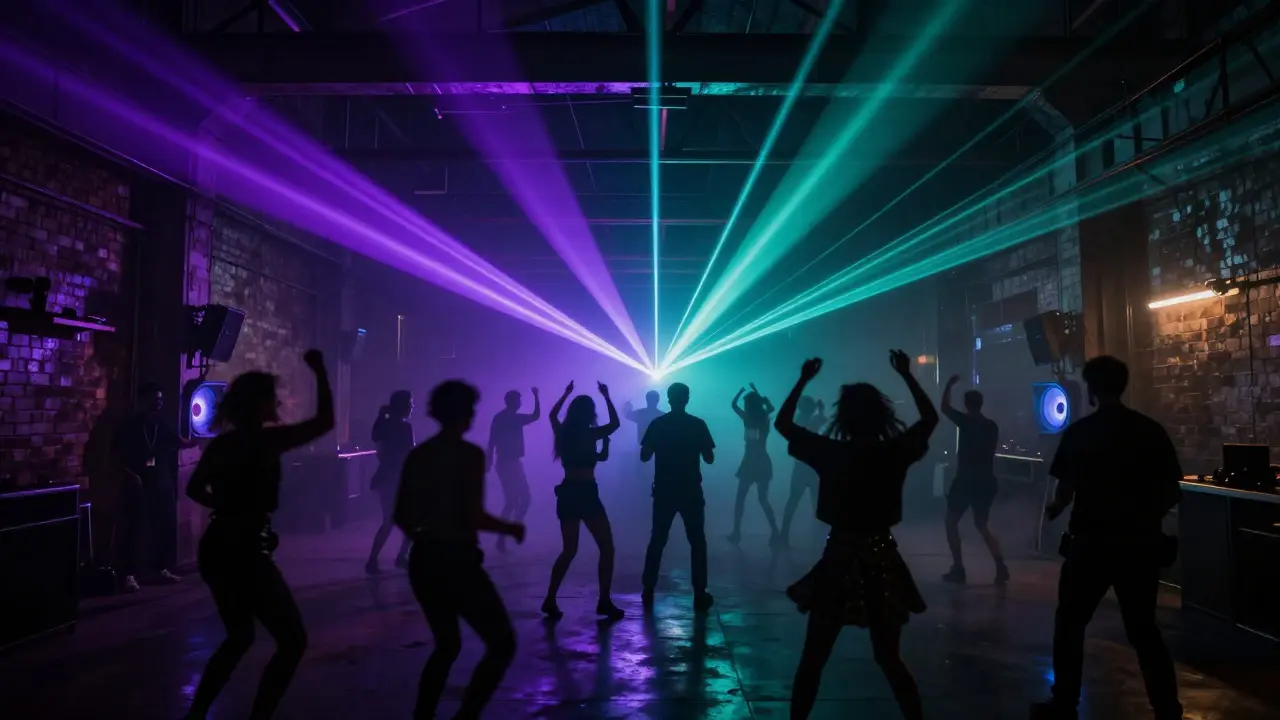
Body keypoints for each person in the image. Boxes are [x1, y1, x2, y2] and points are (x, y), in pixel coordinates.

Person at [775, 352, 938, 720]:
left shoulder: (831, 452)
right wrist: (908, 376)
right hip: (882, 557)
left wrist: (803, 379)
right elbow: (930, 420)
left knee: (813, 658)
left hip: (839, 557)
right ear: (882, 416)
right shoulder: (893, 453)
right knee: (889, 657)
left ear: (842, 417)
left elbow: (783, 424)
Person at [184, 350, 334, 720]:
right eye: (273, 397)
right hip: (244, 549)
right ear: (258, 404)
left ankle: (197, 713)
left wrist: (225, 505)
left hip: (219, 546)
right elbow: (325, 421)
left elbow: (194, 490)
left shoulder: (223, 444)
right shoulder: (266, 442)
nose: (279, 403)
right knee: (293, 640)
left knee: (239, 637)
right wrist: (319, 371)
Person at [1030, 356, 1183, 720]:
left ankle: (1064, 702)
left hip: (1091, 544)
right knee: (1144, 629)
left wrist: (1054, 508)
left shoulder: (1081, 433)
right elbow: (1170, 491)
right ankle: (1166, 708)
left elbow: (1065, 489)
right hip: (1139, 545)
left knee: (1070, 622)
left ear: (1090, 389)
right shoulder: (1150, 431)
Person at [394, 380, 526, 720]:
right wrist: (509, 527)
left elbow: (401, 515)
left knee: (447, 645)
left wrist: (426, 537)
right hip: (458, 562)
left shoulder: (420, 456)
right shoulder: (469, 455)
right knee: (502, 643)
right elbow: (473, 515)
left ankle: (422, 716)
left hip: (425, 562)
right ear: (465, 412)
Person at [542, 380, 624, 621]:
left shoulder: (564, 433)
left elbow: (552, 415)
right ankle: (604, 601)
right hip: (586, 492)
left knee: (569, 550)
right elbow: (615, 424)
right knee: (606, 547)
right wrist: (607, 396)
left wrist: (565, 393)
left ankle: (550, 599)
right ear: (589, 414)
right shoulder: (590, 433)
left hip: (567, 492)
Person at [639, 382, 716, 612]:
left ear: (669, 399)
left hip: (664, 490)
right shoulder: (697, 424)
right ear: (687, 398)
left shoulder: (658, 424)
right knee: (697, 541)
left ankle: (648, 589)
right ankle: (699, 592)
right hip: (691, 490)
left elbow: (644, 456)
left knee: (658, 539)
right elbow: (710, 458)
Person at [113, 382, 195, 593]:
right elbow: (115, 455)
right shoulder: (130, 425)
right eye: (155, 399)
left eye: (160, 399)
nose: (159, 403)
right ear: (143, 400)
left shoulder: (161, 423)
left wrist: (197, 438)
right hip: (138, 481)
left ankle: (160, 569)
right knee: (135, 528)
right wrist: (130, 475)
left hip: (160, 480)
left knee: (164, 525)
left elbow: (179, 441)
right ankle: (129, 574)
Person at [939, 375, 1008, 586]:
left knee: (951, 523)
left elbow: (944, 407)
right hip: (986, 481)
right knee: (982, 525)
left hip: (966, 481)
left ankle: (958, 567)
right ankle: (1000, 566)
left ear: (966, 405)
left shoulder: (966, 422)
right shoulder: (992, 426)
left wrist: (949, 385)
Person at [365, 390, 415, 575]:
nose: (412, 407)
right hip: (394, 478)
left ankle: (377, 559)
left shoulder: (385, 424)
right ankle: (390, 558)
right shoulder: (404, 427)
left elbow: (378, 443)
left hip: (388, 477)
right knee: (395, 521)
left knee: (391, 521)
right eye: (410, 403)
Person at [486, 388, 541, 552]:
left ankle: (508, 532)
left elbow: (491, 442)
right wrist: (536, 396)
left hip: (511, 463)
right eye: (518, 400)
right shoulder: (507, 418)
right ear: (512, 402)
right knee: (513, 501)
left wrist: (489, 462)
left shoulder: (507, 418)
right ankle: (504, 537)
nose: (520, 403)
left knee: (522, 499)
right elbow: (491, 442)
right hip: (506, 463)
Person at [729, 383, 780, 546]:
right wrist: (758, 393)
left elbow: (733, 405)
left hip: (750, 460)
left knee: (740, 499)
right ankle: (775, 531)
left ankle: (737, 532)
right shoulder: (764, 419)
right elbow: (770, 407)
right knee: (763, 499)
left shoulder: (748, 419)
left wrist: (740, 391)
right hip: (762, 461)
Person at [778, 396, 827, 548]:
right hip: (812, 467)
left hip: (802, 466)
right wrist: (821, 410)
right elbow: (820, 421)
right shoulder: (808, 420)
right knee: (814, 503)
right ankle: (817, 536)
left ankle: (785, 534)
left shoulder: (799, 419)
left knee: (794, 501)